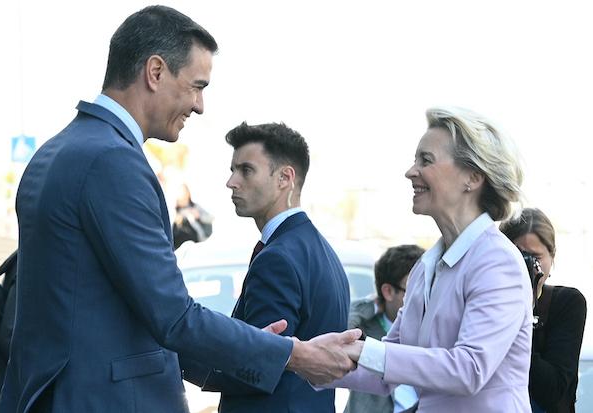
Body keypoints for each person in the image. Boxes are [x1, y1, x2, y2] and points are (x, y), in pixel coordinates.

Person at [0, 6, 360, 413]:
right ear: (155, 72)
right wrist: (292, 354)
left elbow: (125, 310)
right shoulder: (113, 162)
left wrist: (258, 353)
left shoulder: (55, 152)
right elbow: (171, 315)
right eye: (196, 86)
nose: (200, 105)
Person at [324, 106, 534, 412]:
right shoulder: (426, 266)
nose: (411, 171)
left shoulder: (497, 262)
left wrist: (364, 352)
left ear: (473, 178)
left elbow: (469, 368)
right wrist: (308, 360)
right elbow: (391, 364)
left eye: (426, 160)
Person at [181, 122, 351, 412]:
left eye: (246, 170)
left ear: (285, 177)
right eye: (232, 169)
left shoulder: (278, 258)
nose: (231, 182)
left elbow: (261, 366)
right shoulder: (321, 250)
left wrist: (179, 353)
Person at [500, 208, 587, 413]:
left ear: (552, 255)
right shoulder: (485, 302)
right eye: (519, 256)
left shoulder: (567, 303)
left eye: (535, 257)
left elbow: (553, 390)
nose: (527, 265)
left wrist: (527, 304)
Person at [344, 244, 424, 413]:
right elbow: (337, 332)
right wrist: (370, 306)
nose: (423, 297)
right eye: (414, 289)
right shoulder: (365, 330)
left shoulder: (431, 330)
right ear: (388, 292)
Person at [172, 183, 214, 249]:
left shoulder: (194, 207)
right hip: (177, 240)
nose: (182, 195)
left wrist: (199, 216)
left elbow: (211, 218)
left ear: (188, 193)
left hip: (194, 238)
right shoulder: (174, 209)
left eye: (184, 192)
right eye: (180, 192)